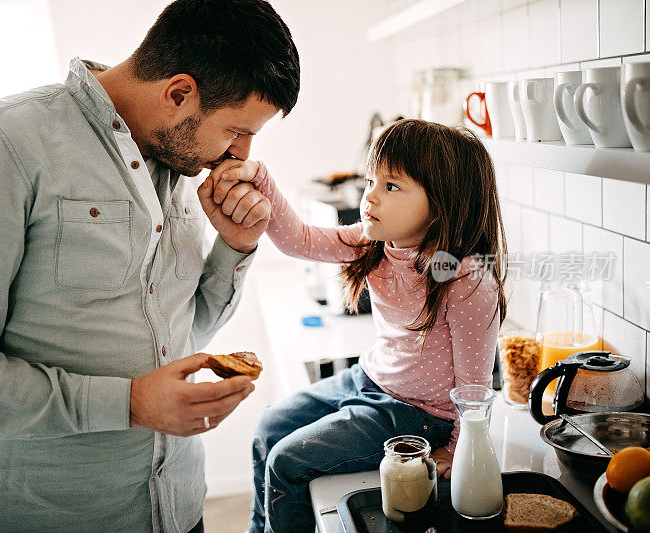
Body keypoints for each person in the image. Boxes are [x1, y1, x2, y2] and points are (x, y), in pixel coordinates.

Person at [0, 1, 299, 531]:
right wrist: (129, 404)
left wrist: (235, 246)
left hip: (178, 508)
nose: (241, 154)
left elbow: (180, 332)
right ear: (179, 93)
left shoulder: (179, 160)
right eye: (236, 131)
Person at [209, 119, 507, 533]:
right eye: (371, 181)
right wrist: (262, 179)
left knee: (287, 462)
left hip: (420, 415)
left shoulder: (466, 279)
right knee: (269, 426)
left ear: (442, 202)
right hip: (368, 381)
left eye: (391, 186)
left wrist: (457, 450)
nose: (370, 198)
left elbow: (476, 385)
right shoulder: (375, 245)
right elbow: (299, 240)